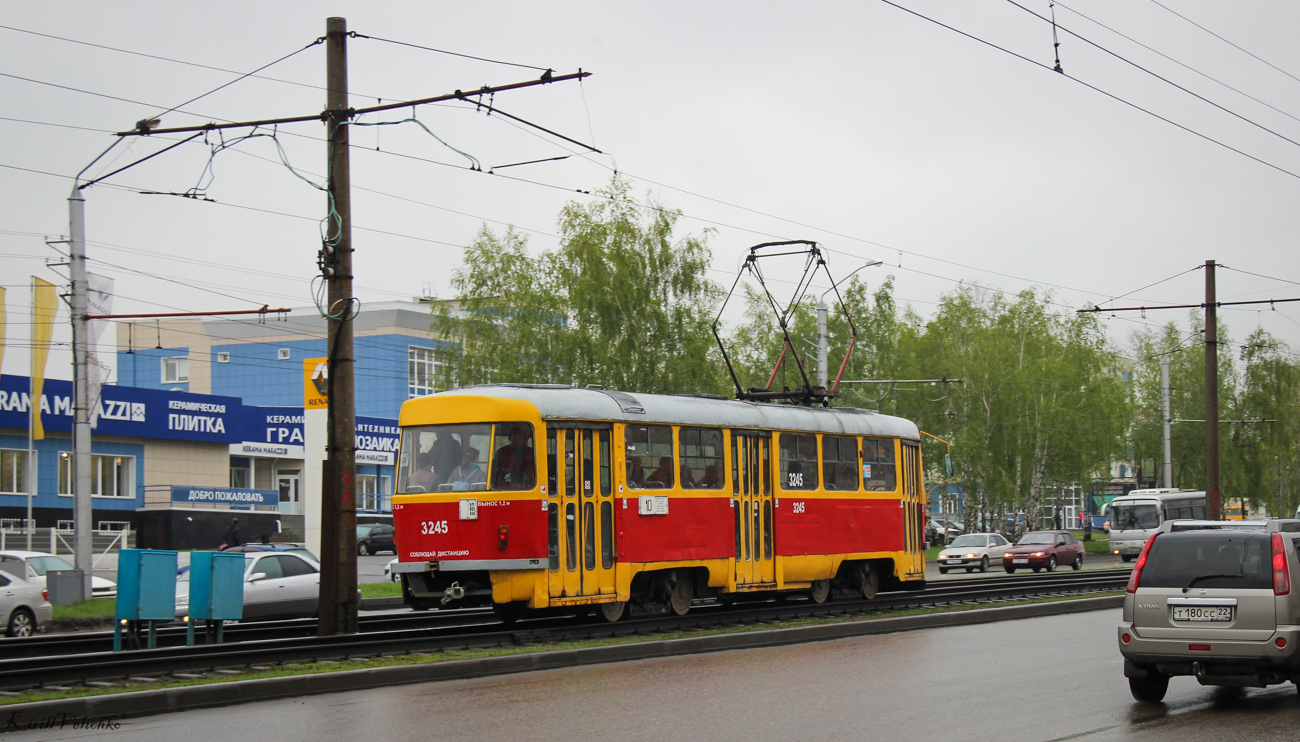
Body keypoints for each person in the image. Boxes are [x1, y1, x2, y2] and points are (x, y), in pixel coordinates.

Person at [493, 425, 536, 489]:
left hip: (529, 485)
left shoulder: (532, 452)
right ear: (510, 438)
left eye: (520, 437)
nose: (517, 439)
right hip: (505, 485)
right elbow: (495, 470)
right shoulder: (502, 452)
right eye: (514, 436)